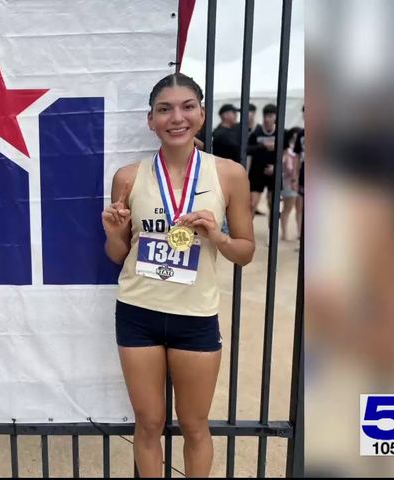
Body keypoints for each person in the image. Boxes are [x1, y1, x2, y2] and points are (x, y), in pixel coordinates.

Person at [101, 73, 255, 478]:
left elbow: (246, 252)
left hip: (196, 317)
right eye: (164, 109)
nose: (176, 117)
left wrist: (217, 235)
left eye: (187, 107)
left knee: (194, 425)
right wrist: (115, 235)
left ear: (202, 114)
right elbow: (118, 255)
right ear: (150, 120)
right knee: (149, 423)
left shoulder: (229, 175)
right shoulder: (128, 177)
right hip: (137, 312)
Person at [247, 104, 278, 239]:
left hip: (274, 172)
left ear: (276, 117)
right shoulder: (257, 132)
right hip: (256, 172)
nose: (267, 119)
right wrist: (262, 146)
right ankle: (246, 234)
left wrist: (276, 167)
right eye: (265, 115)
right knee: (252, 204)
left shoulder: (281, 132)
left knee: (273, 204)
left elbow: (286, 154)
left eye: (270, 116)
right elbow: (247, 149)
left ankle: (272, 235)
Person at [280, 127, 302, 241]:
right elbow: (286, 166)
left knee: (299, 208)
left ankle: (299, 232)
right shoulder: (286, 150)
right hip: (289, 181)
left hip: (299, 181)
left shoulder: (299, 150)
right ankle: (284, 233)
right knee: (288, 207)